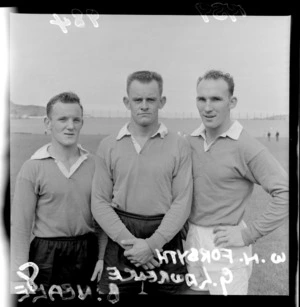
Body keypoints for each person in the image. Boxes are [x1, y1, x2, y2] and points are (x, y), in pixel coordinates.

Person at [186, 70, 288, 295]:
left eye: (216, 99)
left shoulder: (246, 146)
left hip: (226, 244)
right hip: (192, 240)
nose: (207, 107)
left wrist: (248, 234)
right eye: (202, 99)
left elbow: (286, 192)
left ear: (232, 102)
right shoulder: (191, 141)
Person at [91, 70, 193, 295]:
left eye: (151, 99)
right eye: (138, 100)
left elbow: (182, 202)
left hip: (165, 234)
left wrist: (152, 245)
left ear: (162, 102)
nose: (144, 105)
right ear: (127, 102)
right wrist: (132, 245)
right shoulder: (109, 146)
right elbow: (99, 202)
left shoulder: (179, 145)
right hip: (121, 235)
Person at [11, 92, 99, 296]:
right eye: (62, 119)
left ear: (81, 123)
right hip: (46, 256)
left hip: (87, 252)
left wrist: (102, 257)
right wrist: (19, 275)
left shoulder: (95, 165)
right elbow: (21, 227)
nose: (70, 126)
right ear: (48, 123)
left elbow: (104, 218)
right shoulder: (32, 168)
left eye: (76, 119)